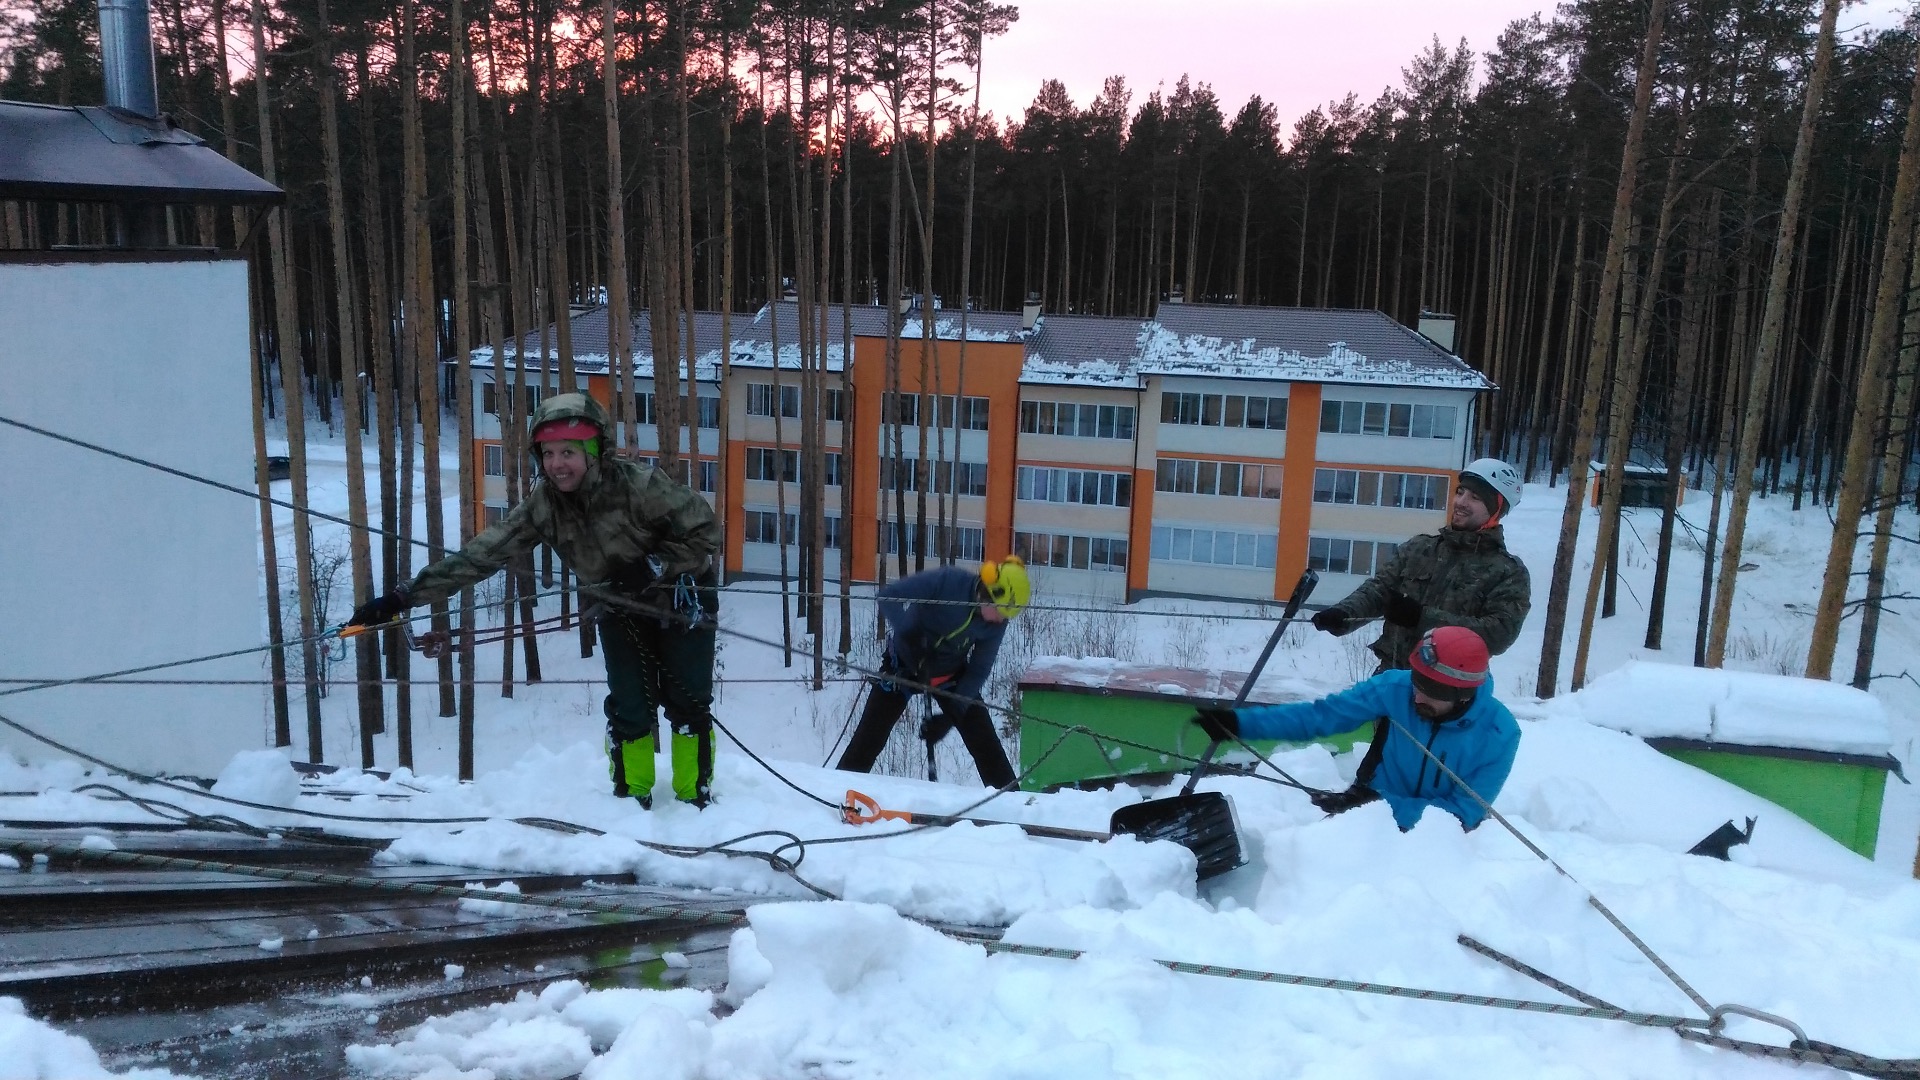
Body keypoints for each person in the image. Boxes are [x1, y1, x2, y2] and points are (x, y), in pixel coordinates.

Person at [346, 392, 722, 810]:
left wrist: (653, 566)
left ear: (595, 452)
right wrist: (403, 596)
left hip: (683, 598)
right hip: (618, 605)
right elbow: (481, 555)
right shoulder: (543, 508)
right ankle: (632, 796)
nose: (557, 464)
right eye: (548, 454)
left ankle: (694, 796)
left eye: (569, 452)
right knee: (630, 704)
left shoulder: (641, 487)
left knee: (687, 701)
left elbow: (706, 533)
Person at [1306, 457, 1530, 813]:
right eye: (1461, 491)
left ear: (1496, 508)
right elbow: (1380, 590)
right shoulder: (1420, 549)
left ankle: (1429, 822)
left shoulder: (1507, 573)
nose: (1461, 501)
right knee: (1385, 751)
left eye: (1475, 497)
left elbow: (1498, 633)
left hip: (1449, 691)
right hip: (1398, 674)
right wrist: (1344, 614)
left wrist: (1423, 618)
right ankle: (1365, 805)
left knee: (1425, 760)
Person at [1190, 627, 1519, 832]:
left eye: (1431, 691)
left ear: (1462, 694)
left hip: (1439, 841)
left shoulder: (1500, 733)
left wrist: (1378, 806)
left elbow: (1465, 814)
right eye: (1416, 680)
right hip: (1369, 809)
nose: (1416, 695)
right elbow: (1323, 716)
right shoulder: (1395, 688)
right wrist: (1242, 724)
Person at [835, 557, 1032, 788]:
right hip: (903, 666)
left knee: (986, 744)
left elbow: (979, 669)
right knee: (868, 741)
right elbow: (889, 596)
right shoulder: (948, 581)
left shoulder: (996, 623)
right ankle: (836, 792)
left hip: (950, 676)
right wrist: (910, 634)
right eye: (1000, 612)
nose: (1001, 620)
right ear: (989, 593)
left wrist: (953, 714)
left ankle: (1013, 807)